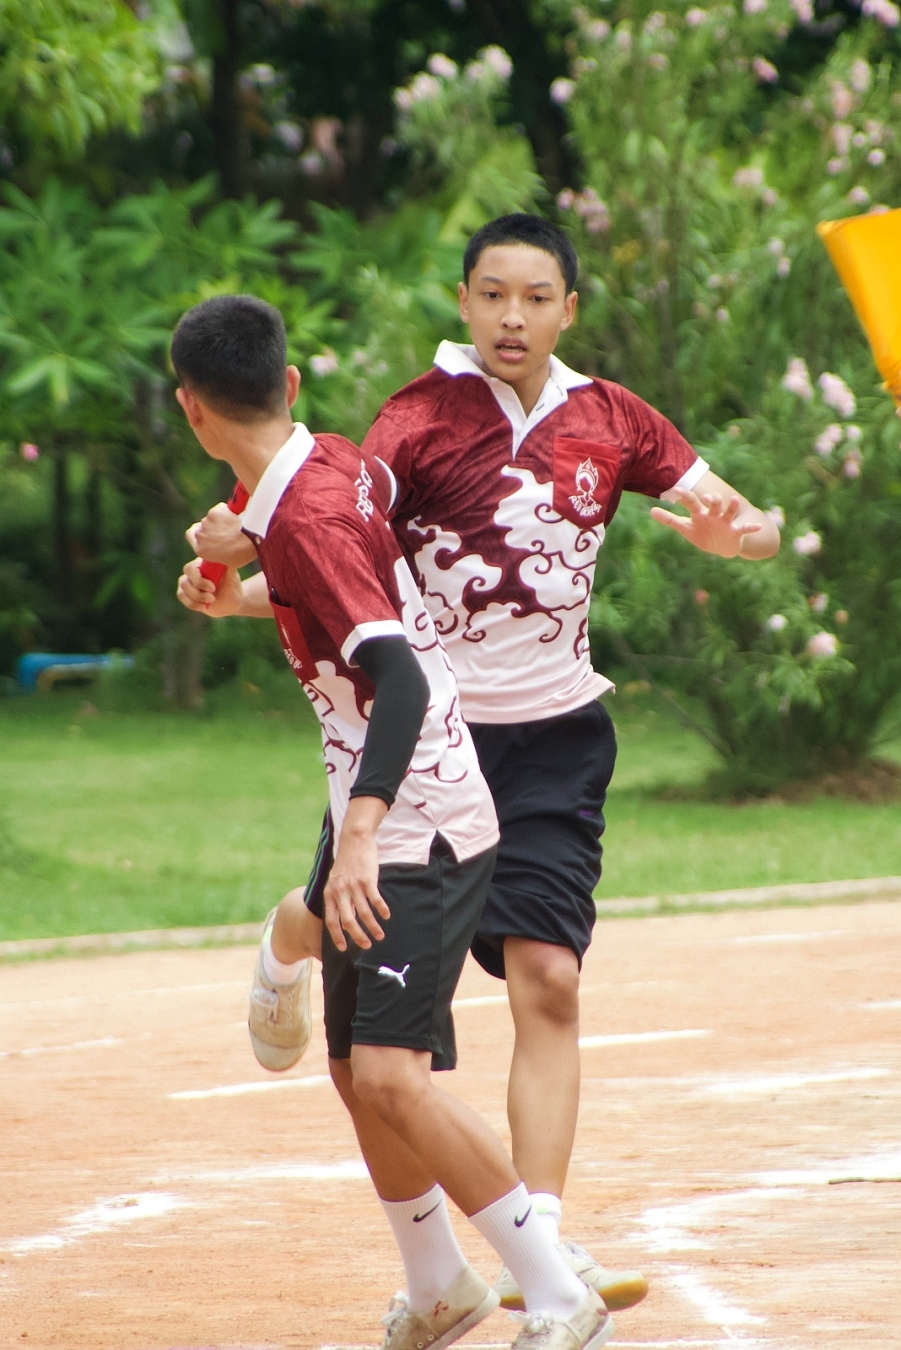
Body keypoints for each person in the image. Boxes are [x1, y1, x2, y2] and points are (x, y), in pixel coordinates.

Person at [179, 214, 780, 1315]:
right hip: (424, 740)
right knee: (353, 953)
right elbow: (343, 559)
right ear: (463, 301)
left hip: (553, 740)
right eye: (492, 294)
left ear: (569, 309)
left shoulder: (612, 418)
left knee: (550, 978)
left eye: (536, 297)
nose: (513, 316)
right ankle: (286, 937)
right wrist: (244, 592)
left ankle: (537, 1241)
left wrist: (740, 536)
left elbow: (749, 522)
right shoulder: (415, 420)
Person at [171, 292, 616, 1350]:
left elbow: (403, 680)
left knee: (388, 1077)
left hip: (420, 819)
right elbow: (337, 556)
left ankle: (557, 1291)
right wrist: (240, 566)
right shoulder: (329, 464)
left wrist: (362, 836)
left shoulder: (308, 516)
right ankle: (437, 1286)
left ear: (191, 410)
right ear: (288, 384)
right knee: (347, 1066)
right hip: (375, 803)